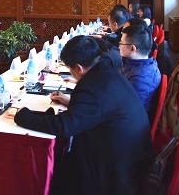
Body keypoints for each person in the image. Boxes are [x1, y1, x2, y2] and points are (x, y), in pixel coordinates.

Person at [14, 35, 152, 195]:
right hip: (130, 159)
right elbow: (97, 109)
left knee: (57, 172)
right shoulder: (107, 72)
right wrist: (70, 103)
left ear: (78, 68)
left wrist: (23, 116)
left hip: (114, 174)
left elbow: (64, 127)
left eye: (70, 69)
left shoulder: (90, 87)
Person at [119, 24, 161, 112]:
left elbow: (129, 110)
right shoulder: (145, 63)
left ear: (132, 48)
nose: (119, 46)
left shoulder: (140, 78)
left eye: (121, 43)